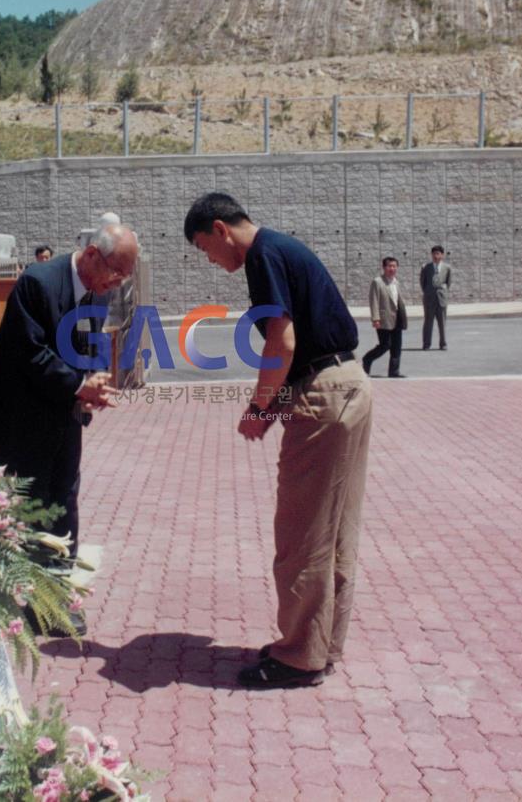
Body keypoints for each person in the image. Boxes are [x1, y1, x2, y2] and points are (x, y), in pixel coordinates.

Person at [183, 192, 371, 689]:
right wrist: (273, 408)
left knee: (303, 533)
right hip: (347, 384)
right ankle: (318, 645)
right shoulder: (281, 248)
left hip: (324, 397)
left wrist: (260, 407)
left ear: (221, 230)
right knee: (334, 531)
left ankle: (298, 658)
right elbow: (304, 341)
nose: (210, 259)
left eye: (205, 248)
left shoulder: (262, 256)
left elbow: (282, 342)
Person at [0, 224, 138, 571]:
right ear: (93, 254)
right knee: (34, 499)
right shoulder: (38, 281)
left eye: (125, 276)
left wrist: (95, 381)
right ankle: (32, 587)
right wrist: (79, 386)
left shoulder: (99, 288)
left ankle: (60, 580)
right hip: (27, 413)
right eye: (116, 273)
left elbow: (92, 343)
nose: (117, 283)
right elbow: (30, 353)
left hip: (65, 410)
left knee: (65, 492)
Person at [363, 256, 408, 378]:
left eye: (394, 266)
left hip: (397, 318)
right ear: (384, 267)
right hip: (384, 319)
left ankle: (394, 372)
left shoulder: (396, 282)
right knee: (385, 345)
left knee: (397, 346)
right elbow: (374, 301)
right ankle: (367, 359)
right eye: (389, 266)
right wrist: (375, 318)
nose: (392, 269)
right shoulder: (377, 282)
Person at [420, 245, 452, 350]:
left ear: (442, 255)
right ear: (431, 255)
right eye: (434, 253)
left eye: (438, 253)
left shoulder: (447, 268)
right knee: (428, 322)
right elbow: (422, 282)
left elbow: (448, 283)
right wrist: (428, 292)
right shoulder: (426, 267)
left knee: (442, 323)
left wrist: (442, 292)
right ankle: (426, 344)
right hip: (429, 299)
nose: (436, 256)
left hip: (441, 299)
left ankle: (443, 344)